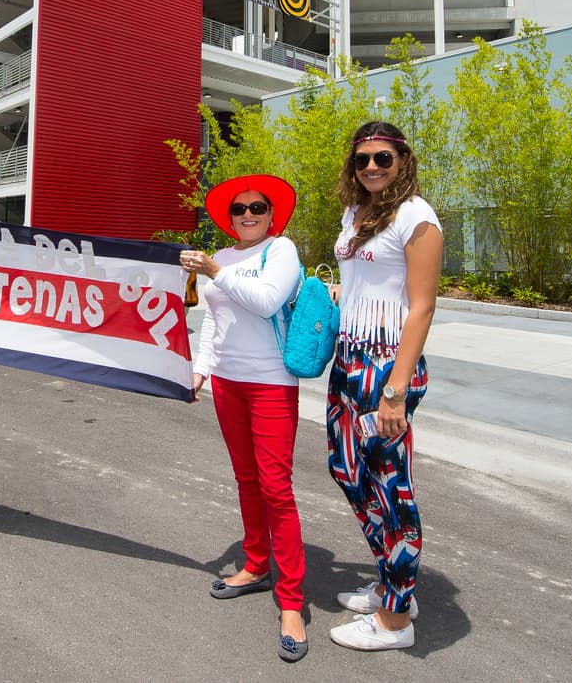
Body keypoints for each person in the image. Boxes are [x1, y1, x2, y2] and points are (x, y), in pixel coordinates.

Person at [325, 121, 443, 653]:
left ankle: (396, 619)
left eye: (382, 158)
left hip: (386, 368)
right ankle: (393, 584)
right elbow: (368, 279)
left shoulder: (416, 216)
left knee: (391, 486)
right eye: (362, 159)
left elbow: (422, 307)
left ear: (402, 160)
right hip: (349, 358)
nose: (371, 167)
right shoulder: (356, 213)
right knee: (347, 470)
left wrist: (395, 390)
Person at [181, 174, 308, 663]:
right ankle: (256, 564)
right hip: (227, 383)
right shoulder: (224, 256)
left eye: (257, 207)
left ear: (272, 215)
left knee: (276, 487)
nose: (248, 214)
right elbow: (214, 319)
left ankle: (292, 602)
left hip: (272, 382)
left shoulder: (281, 251)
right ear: (229, 217)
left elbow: (266, 301)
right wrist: (200, 369)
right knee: (246, 478)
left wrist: (214, 270)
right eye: (239, 208)